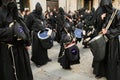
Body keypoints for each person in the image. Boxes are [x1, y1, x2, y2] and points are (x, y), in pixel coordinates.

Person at [0, 0, 33, 80]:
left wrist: (27, 40)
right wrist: (12, 31)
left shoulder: (15, 10)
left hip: (21, 50)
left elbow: (22, 25)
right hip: (7, 52)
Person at [91, 0, 120, 80]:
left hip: (112, 41)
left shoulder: (117, 13)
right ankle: (102, 72)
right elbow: (100, 25)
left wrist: (108, 31)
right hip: (104, 40)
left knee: (111, 58)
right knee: (103, 56)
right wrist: (101, 20)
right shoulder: (105, 13)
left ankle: (110, 75)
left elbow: (119, 28)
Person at [25, 2, 52, 67]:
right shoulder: (31, 15)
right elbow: (27, 25)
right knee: (37, 48)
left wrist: (45, 25)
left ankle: (45, 58)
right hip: (36, 34)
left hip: (43, 32)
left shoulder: (41, 14)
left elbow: (44, 20)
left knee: (44, 47)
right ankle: (37, 61)